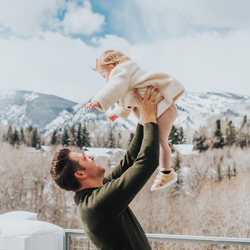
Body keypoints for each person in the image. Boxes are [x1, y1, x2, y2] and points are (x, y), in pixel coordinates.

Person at [50, 87, 163, 250]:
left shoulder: (95, 194)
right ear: (80, 174)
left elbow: (129, 161)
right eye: (84, 158)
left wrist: (142, 119)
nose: (91, 157)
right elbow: (147, 162)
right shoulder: (99, 203)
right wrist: (151, 117)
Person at [84, 50, 185, 191]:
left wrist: (97, 100)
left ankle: (166, 172)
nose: (106, 79)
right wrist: (118, 112)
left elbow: (115, 87)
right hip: (164, 109)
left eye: (104, 75)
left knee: (160, 142)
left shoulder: (120, 72)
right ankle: (166, 169)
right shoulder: (128, 72)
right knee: (160, 141)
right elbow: (128, 97)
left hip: (163, 110)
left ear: (112, 67)